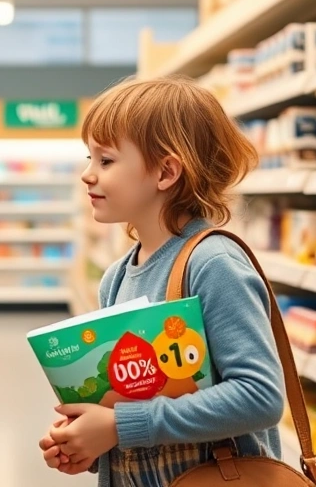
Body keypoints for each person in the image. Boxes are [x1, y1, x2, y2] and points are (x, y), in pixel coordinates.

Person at [39, 76, 283, 487]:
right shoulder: (117, 277)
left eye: (106, 160)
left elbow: (259, 396)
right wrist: (89, 442)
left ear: (166, 172)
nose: (87, 174)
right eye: (89, 158)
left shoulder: (212, 263)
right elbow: (135, 402)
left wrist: (118, 425)